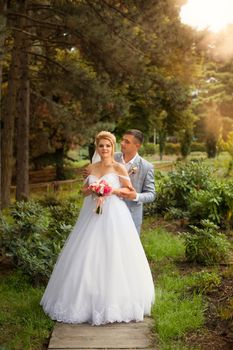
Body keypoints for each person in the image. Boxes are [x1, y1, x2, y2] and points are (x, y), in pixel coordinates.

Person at [40, 131, 155, 326]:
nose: (104, 149)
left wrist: (112, 190)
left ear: (113, 147)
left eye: (108, 146)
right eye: (101, 146)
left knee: (114, 254)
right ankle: (83, 299)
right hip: (92, 215)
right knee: (86, 255)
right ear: (97, 147)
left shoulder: (119, 166)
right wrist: (92, 189)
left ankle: (115, 300)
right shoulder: (90, 168)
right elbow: (83, 192)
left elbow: (130, 190)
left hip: (115, 215)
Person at [91, 129, 156, 234]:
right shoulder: (111, 156)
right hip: (107, 211)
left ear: (137, 145)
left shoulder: (146, 167)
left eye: (127, 142)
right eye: (122, 140)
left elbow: (151, 194)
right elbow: (97, 170)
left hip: (131, 214)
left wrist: (135, 196)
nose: (122, 143)